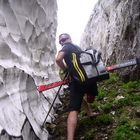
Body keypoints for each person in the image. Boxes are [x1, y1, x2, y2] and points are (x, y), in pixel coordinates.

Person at [56, 33, 99, 140]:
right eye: (60, 41)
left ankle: (70, 138)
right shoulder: (78, 48)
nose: (62, 42)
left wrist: (65, 69)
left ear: (69, 39)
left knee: (74, 109)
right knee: (86, 97)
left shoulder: (67, 46)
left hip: (77, 82)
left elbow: (58, 59)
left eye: (64, 39)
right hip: (90, 79)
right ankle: (90, 112)